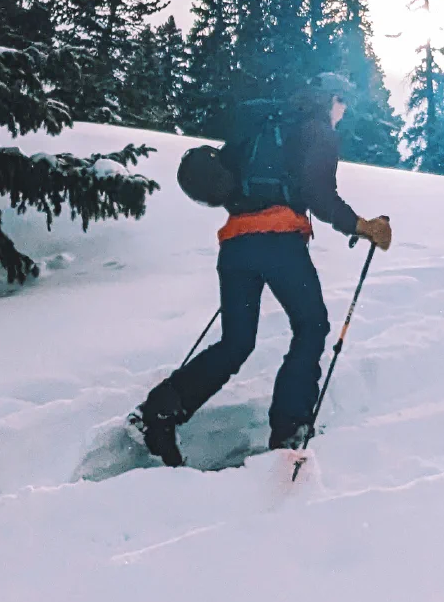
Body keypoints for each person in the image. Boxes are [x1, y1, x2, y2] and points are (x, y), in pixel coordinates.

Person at [135, 72, 392, 465]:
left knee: (236, 344)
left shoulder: (264, 126)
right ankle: (290, 430)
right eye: (344, 104)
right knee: (311, 327)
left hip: (236, 244)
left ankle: (159, 412)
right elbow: (318, 194)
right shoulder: (316, 130)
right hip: (278, 243)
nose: (344, 113)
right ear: (332, 99)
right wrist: (361, 226)